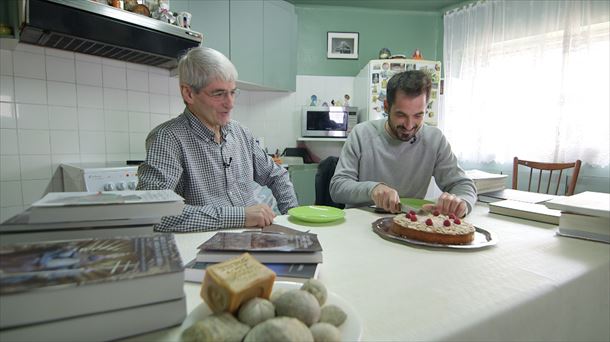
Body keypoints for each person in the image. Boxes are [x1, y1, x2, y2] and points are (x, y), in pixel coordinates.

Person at [137, 47, 298, 232]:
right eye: (219, 94)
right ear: (188, 94)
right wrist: (241, 216)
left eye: (233, 92)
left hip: (254, 240)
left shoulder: (241, 133)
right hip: (204, 247)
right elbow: (154, 213)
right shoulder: (167, 138)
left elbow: (277, 175)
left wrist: (291, 217)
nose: (230, 103)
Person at [329, 70, 476, 217]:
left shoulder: (435, 140)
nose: (409, 125)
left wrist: (460, 203)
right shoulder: (361, 134)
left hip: (410, 224)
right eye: (401, 115)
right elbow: (337, 187)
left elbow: (463, 185)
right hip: (360, 224)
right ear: (386, 107)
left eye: (418, 115)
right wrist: (372, 189)